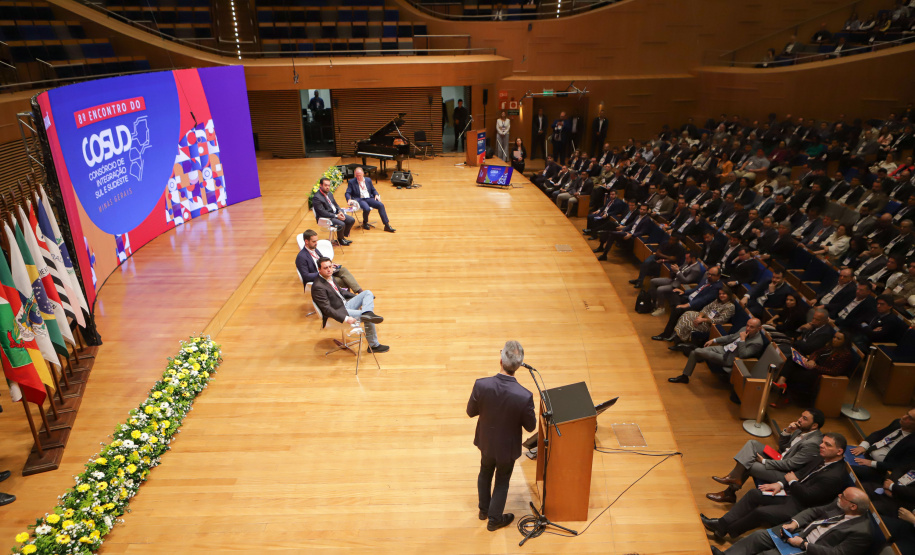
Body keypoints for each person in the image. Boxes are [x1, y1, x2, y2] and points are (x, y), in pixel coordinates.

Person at [702, 433, 850, 539]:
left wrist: (792, 482)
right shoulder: (821, 456)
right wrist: (779, 484)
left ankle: (726, 530)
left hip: (801, 507)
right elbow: (800, 472)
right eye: (822, 442)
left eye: (827, 444)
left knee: (761, 512)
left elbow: (809, 497)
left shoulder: (835, 476)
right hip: (791, 494)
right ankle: (722, 525)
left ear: (839, 451)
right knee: (754, 494)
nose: (821, 446)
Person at [466, 341, 536, 532]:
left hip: (486, 441)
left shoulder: (481, 385)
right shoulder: (524, 396)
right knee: (502, 480)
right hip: (507, 448)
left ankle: (484, 511)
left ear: (500, 360)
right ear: (519, 366)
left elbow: (470, 412)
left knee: (485, 471)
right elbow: (531, 427)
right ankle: (494, 519)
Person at [706, 410, 825, 504]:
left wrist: (764, 461)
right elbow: (784, 448)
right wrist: (788, 431)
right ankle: (734, 477)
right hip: (780, 459)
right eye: (801, 416)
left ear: (814, 425)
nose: (799, 420)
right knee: (752, 444)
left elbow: (790, 465)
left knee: (750, 464)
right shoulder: (801, 430)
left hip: (785, 473)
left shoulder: (812, 443)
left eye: (804, 419)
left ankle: (730, 492)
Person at [710, 487, 874, 555]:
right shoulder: (840, 505)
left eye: (843, 496)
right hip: (798, 533)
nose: (839, 496)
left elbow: (836, 553)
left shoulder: (862, 532)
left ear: (853, 506)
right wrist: (794, 523)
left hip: (809, 550)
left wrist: (803, 545)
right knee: (758, 536)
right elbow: (814, 511)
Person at [311, 257, 388, 353]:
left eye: (330, 266)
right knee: (367, 317)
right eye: (325, 268)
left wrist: (359, 297)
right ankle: (374, 345)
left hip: (344, 304)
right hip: (338, 311)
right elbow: (327, 309)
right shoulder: (318, 286)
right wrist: (346, 318)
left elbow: (341, 293)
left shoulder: (330, 277)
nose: (329, 269)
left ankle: (368, 312)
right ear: (319, 269)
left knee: (367, 293)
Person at [667, 318, 764, 384]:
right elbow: (730, 337)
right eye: (747, 325)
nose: (747, 328)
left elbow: (743, 355)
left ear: (759, 328)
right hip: (723, 348)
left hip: (729, 358)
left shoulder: (757, 342)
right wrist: (714, 340)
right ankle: (684, 377)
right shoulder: (744, 329)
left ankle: (691, 350)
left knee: (697, 351)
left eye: (751, 327)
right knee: (694, 352)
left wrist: (742, 340)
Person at [771, 332, 856, 407]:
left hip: (819, 373)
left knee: (794, 373)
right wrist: (812, 360)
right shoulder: (830, 347)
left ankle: (783, 394)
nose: (834, 340)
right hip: (812, 366)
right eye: (834, 337)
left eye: (838, 339)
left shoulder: (845, 355)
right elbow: (816, 352)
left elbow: (834, 371)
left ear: (845, 342)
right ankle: (781, 381)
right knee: (792, 358)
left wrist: (815, 367)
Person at [849, 407, 915, 482]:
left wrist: (872, 463)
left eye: (910, 418)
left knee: (847, 468)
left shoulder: (912, 444)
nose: (903, 417)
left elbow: (898, 466)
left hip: (878, 469)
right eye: (907, 414)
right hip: (866, 453)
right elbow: (878, 434)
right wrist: (863, 446)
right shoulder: (897, 423)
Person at [294, 229, 362, 292]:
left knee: (343, 270)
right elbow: (306, 276)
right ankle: (349, 298)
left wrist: (330, 265)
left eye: (316, 241)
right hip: (319, 277)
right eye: (314, 241)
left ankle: (359, 291)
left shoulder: (314, 249)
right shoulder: (301, 257)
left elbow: (322, 261)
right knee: (342, 281)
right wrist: (322, 273)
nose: (316, 243)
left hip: (325, 272)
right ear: (306, 241)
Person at [670, 288, 736, 351]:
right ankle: (677, 335)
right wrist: (700, 317)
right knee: (687, 314)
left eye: (724, 294)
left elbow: (721, 320)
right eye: (720, 294)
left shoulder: (730, 307)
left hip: (711, 325)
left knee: (688, 322)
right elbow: (706, 308)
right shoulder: (717, 301)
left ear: (729, 294)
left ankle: (678, 340)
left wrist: (703, 320)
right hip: (704, 317)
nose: (721, 295)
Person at [345, 168, 395, 233]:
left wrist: (376, 194)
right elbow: (347, 192)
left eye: (360, 175)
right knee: (367, 208)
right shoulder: (351, 182)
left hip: (369, 198)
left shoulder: (368, 180)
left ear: (363, 174)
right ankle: (365, 222)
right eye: (357, 175)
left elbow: (373, 189)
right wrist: (349, 199)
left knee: (381, 205)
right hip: (360, 199)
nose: (358, 177)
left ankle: (386, 225)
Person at [312, 177, 355, 245]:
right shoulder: (317, 198)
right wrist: (336, 216)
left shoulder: (329, 193)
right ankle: (340, 240)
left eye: (329, 185)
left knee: (351, 220)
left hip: (335, 214)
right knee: (341, 224)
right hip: (326, 218)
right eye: (325, 185)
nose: (327, 187)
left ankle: (342, 237)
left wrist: (340, 211)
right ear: (321, 185)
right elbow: (322, 212)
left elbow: (335, 204)